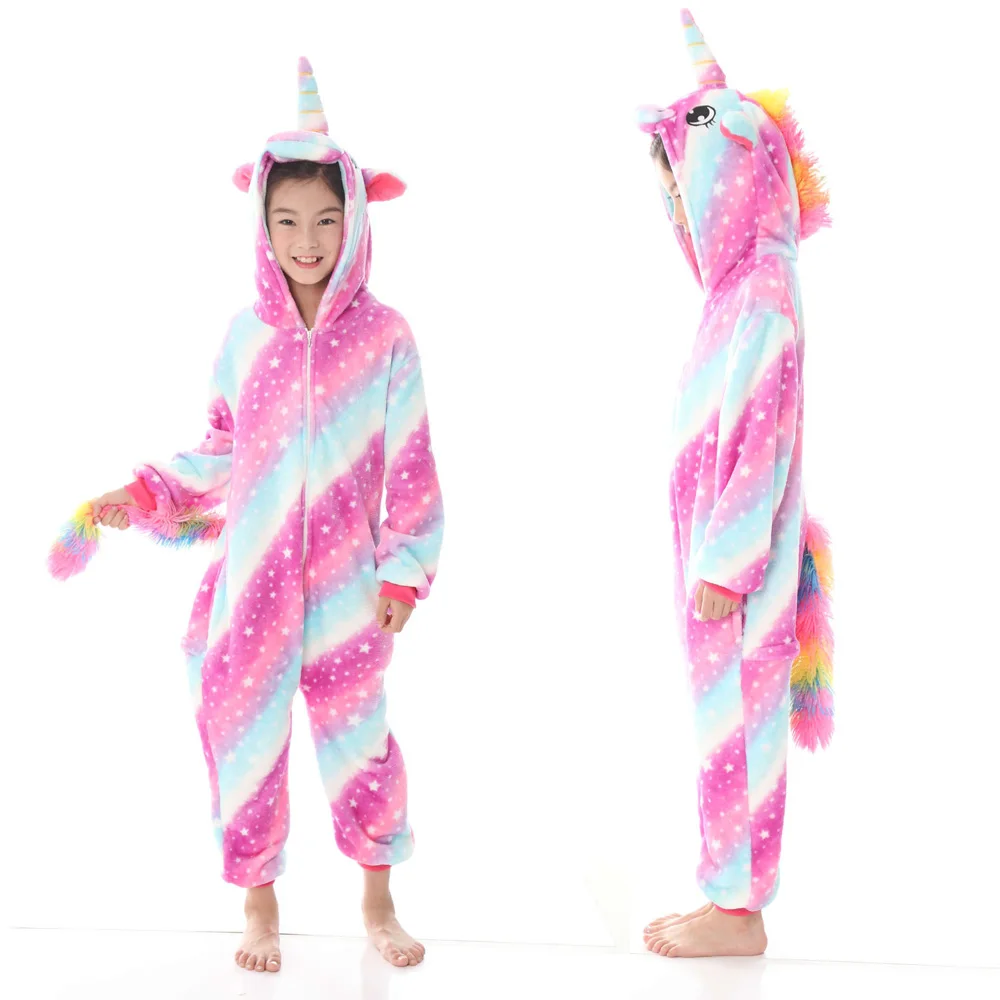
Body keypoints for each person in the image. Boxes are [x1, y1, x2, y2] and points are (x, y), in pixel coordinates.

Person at [88, 57, 444, 972]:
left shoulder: (387, 338)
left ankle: (378, 903)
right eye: (287, 220)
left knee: (362, 745)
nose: (307, 239)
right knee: (246, 739)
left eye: (326, 220)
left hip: (348, 591)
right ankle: (260, 909)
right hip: (252, 585)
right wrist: (150, 492)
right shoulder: (247, 337)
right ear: (261, 224)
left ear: (355, 222)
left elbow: (412, 466)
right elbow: (219, 447)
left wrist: (403, 573)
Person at [635, 8, 834, 958]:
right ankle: (725, 891)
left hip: (737, 572)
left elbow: (762, 441)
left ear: (736, 181)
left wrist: (727, 560)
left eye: (691, 189)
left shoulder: (759, 294)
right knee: (721, 727)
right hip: (718, 569)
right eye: (671, 196)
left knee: (744, 731)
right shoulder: (730, 298)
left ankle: (742, 907)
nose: (681, 213)